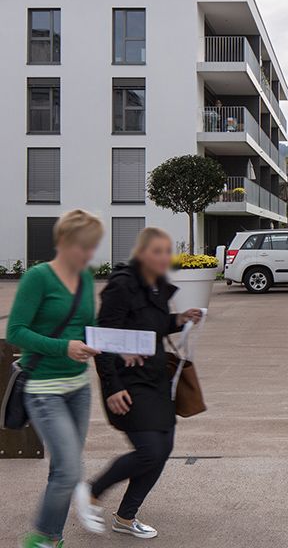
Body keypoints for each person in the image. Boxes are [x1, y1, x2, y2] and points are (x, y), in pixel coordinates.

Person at [81, 228, 203, 540]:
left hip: (157, 382)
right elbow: (102, 339)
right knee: (150, 450)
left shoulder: (157, 286)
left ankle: (126, 516)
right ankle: (91, 491)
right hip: (128, 383)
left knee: (163, 448)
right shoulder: (121, 286)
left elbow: (152, 327)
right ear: (141, 253)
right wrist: (112, 387)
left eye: (167, 252)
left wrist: (179, 319)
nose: (164, 258)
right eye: (156, 251)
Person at [6, 209, 103, 548]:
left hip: (78, 387)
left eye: (93, 246)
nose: (89, 254)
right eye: (83, 246)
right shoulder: (38, 278)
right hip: (44, 388)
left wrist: (110, 343)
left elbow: (87, 325)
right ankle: (40, 539)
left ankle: (53, 538)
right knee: (69, 470)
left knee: (64, 467)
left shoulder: (86, 277)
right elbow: (16, 331)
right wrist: (64, 347)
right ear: (63, 241)